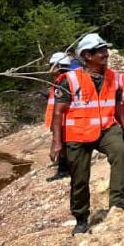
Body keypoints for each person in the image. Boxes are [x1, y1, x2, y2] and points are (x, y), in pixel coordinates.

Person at [49, 33, 124, 234]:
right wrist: (56, 142)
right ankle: (81, 218)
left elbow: (117, 105)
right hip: (77, 134)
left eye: (106, 50)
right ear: (87, 55)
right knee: (79, 178)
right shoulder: (69, 80)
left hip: (105, 128)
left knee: (120, 152)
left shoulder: (114, 77)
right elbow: (58, 112)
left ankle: (118, 200)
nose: (106, 54)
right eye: (101, 51)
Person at [44, 52, 73, 181]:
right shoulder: (61, 81)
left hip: (63, 121)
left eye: (52, 65)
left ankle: (63, 171)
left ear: (58, 66)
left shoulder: (63, 82)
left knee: (61, 145)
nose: (50, 68)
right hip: (60, 121)